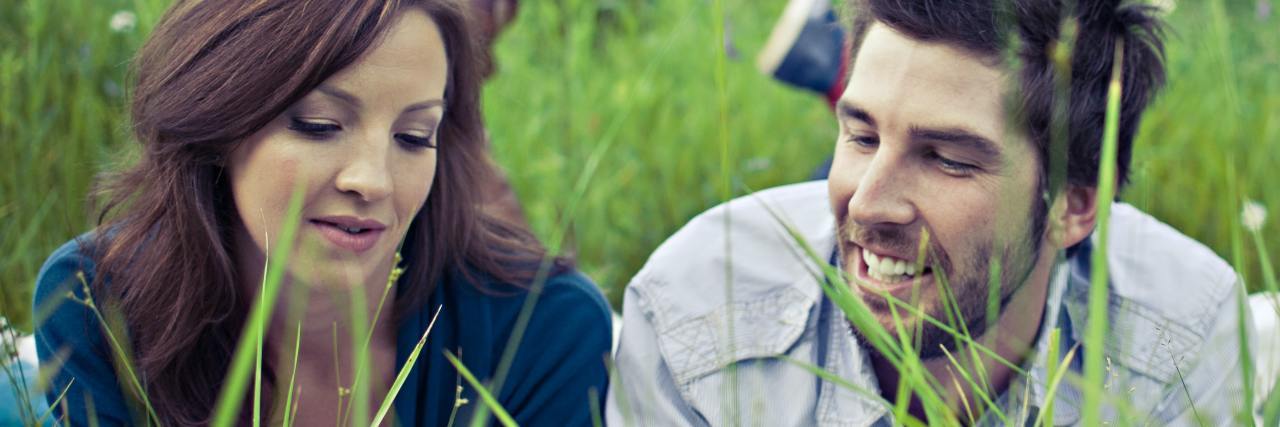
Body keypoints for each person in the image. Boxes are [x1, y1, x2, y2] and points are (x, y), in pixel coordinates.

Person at [607, 0, 1255, 425]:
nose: (867, 203)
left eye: (946, 158)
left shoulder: (1185, 337)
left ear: (1074, 202)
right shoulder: (696, 310)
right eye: (861, 136)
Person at [32, 0, 611, 425]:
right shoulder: (95, 302)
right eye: (319, 126)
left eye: (414, 137)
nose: (372, 181)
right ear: (217, 121)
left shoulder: (544, 330)